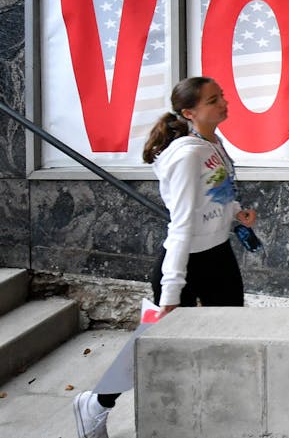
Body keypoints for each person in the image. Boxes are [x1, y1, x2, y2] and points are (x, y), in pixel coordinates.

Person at [74, 76, 259, 438]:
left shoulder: (210, 143)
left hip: (217, 254)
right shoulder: (189, 155)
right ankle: (96, 403)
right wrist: (172, 292)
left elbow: (212, 194)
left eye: (221, 96)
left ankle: (224, 411)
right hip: (185, 263)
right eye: (212, 100)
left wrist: (235, 211)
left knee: (232, 333)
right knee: (152, 342)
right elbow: (182, 223)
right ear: (189, 112)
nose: (223, 103)